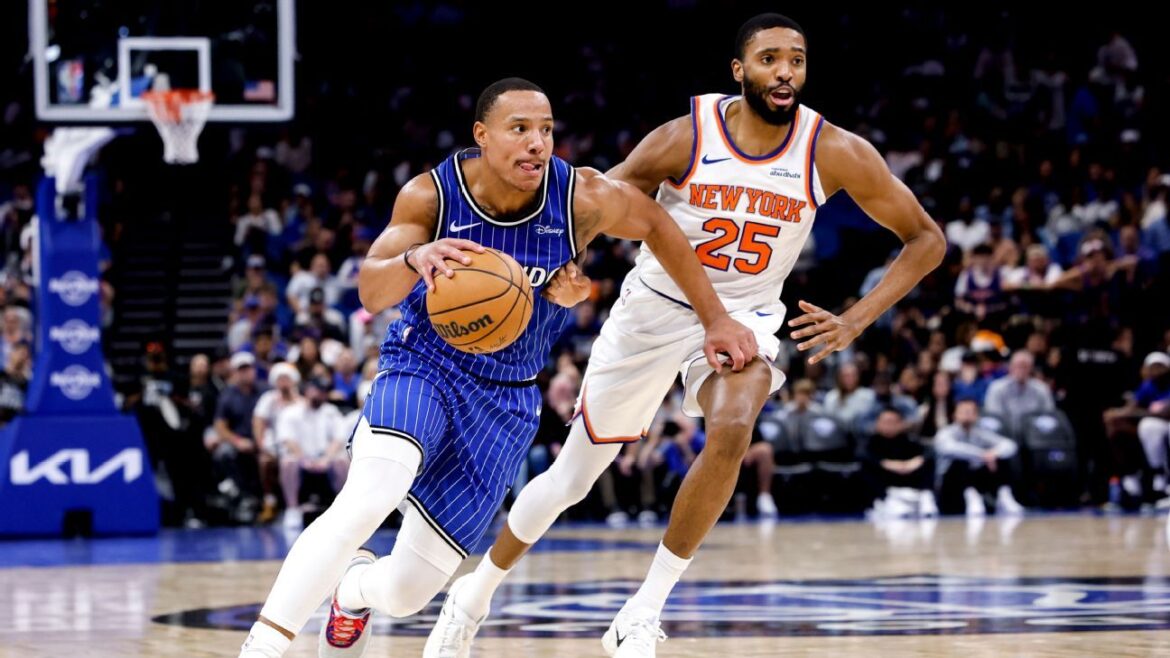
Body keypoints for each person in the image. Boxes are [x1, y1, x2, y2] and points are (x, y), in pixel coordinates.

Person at [426, 14, 946, 658]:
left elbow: (927, 239)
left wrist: (856, 318)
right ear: (740, 70)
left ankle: (642, 611)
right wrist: (567, 266)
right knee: (571, 481)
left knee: (734, 424)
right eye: (769, 59)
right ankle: (474, 592)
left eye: (796, 59)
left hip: (746, 316)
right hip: (655, 309)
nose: (785, 71)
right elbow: (591, 203)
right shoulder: (686, 136)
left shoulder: (834, 150)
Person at [237, 77, 756, 658]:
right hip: (426, 363)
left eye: (546, 130)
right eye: (520, 129)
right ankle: (263, 647)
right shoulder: (431, 195)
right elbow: (371, 291)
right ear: (481, 135)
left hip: (506, 395)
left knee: (407, 593)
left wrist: (713, 318)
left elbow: (658, 225)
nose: (537, 143)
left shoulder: (579, 198)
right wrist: (415, 257)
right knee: (368, 495)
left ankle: (353, 590)